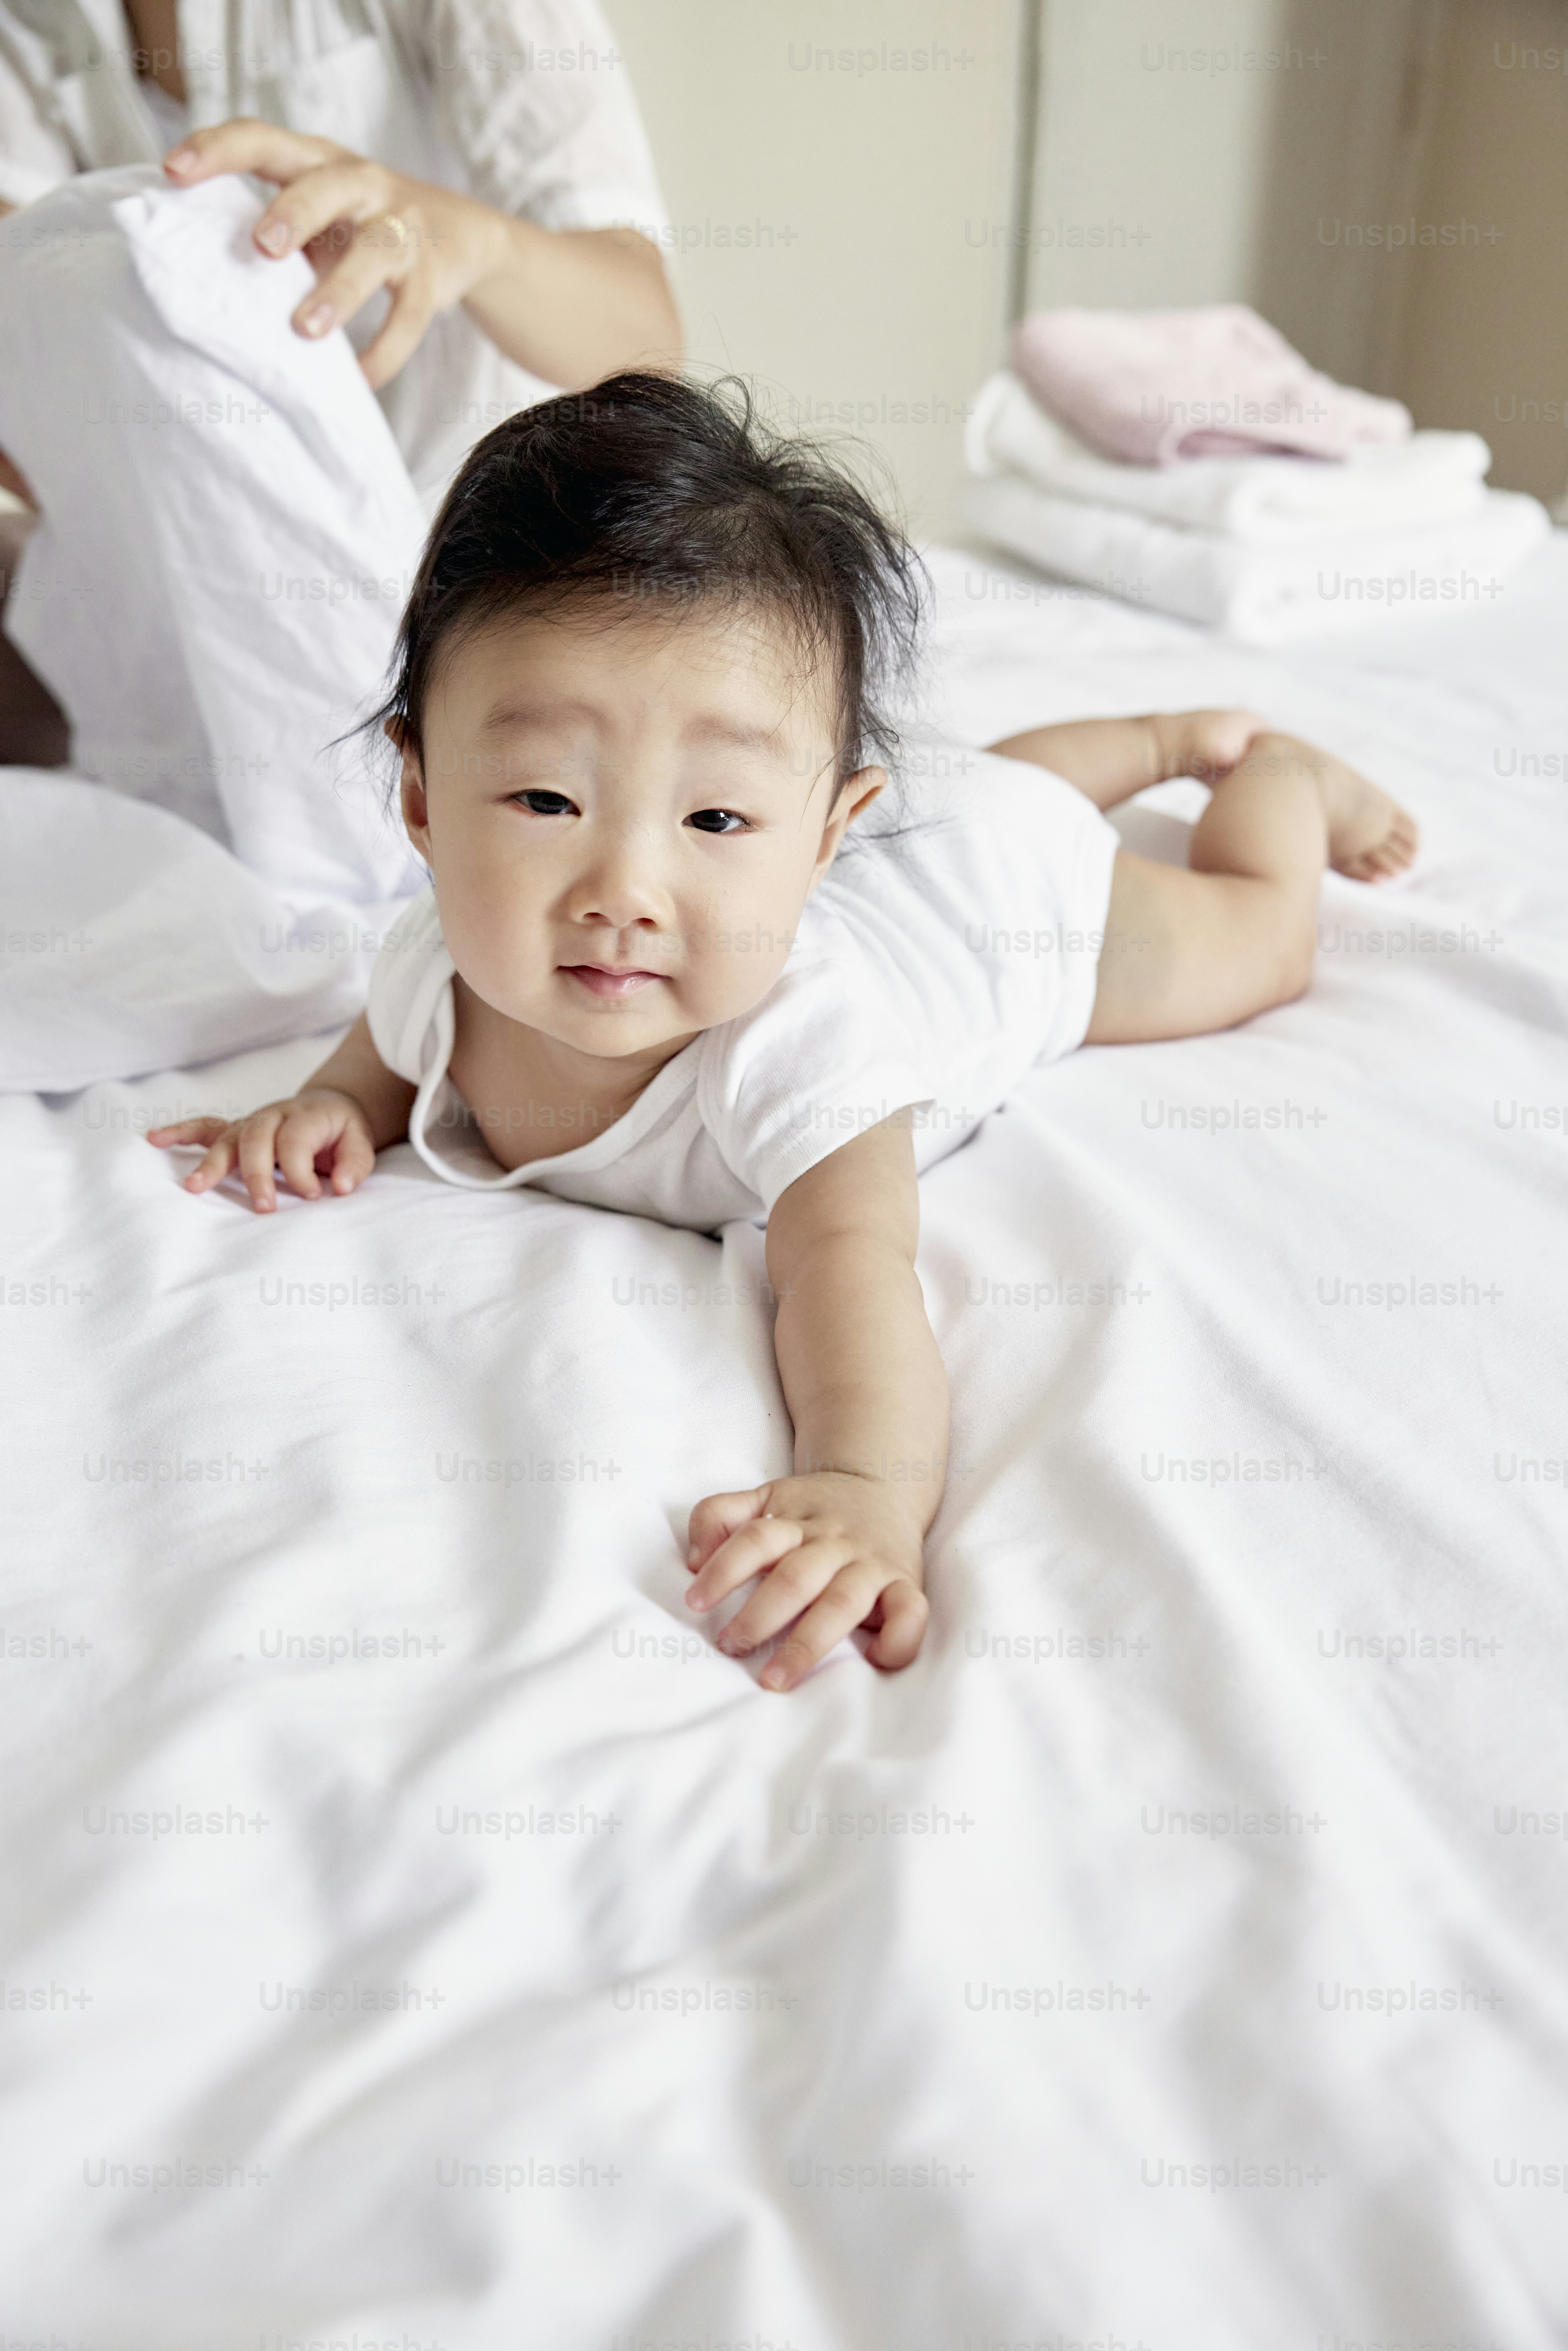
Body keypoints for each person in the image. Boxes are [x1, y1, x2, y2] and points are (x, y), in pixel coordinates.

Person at [147, 369, 1418, 1694]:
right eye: (541, 798)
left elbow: (846, 1271)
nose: (622, 894)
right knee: (986, 790)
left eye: (711, 822)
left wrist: (863, 1488)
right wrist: (331, 1106)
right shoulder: (445, 958)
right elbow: (388, 1047)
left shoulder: (800, 1045)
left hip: (1023, 915)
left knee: (1246, 937)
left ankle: (1262, 771)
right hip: (940, 827)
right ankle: (1141, 738)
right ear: (418, 799)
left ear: (826, 835)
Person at [0, 0, 680, 763]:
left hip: (469, 572)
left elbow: (642, 335)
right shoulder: (29, 23)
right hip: (200, 581)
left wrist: (471, 241)